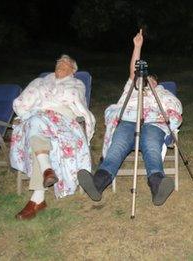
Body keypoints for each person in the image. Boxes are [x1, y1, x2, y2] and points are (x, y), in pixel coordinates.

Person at [78, 29, 183, 206]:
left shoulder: (162, 93)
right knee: (117, 147)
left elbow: (175, 109)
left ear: (157, 83)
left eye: (151, 80)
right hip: (129, 121)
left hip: (153, 123)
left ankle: (157, 185)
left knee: (151, 146)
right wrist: (137, 46)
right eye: (145, 78)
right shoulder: (132, 87)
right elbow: (134, 72)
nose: (147, 81)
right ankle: (97, 183)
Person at [10, 54, 95, 220]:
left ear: (73, 71)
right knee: (36, 124)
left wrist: (45, 100)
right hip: (38, 117)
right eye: (58, 63)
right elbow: (25, 98)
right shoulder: (40, 81)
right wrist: (42, 101)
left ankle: (39, 192)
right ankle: (44, 176)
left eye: (65, 64)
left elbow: (72, 97)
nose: (60, 65)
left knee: (35, 126)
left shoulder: (77, 83)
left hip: (62, 121)